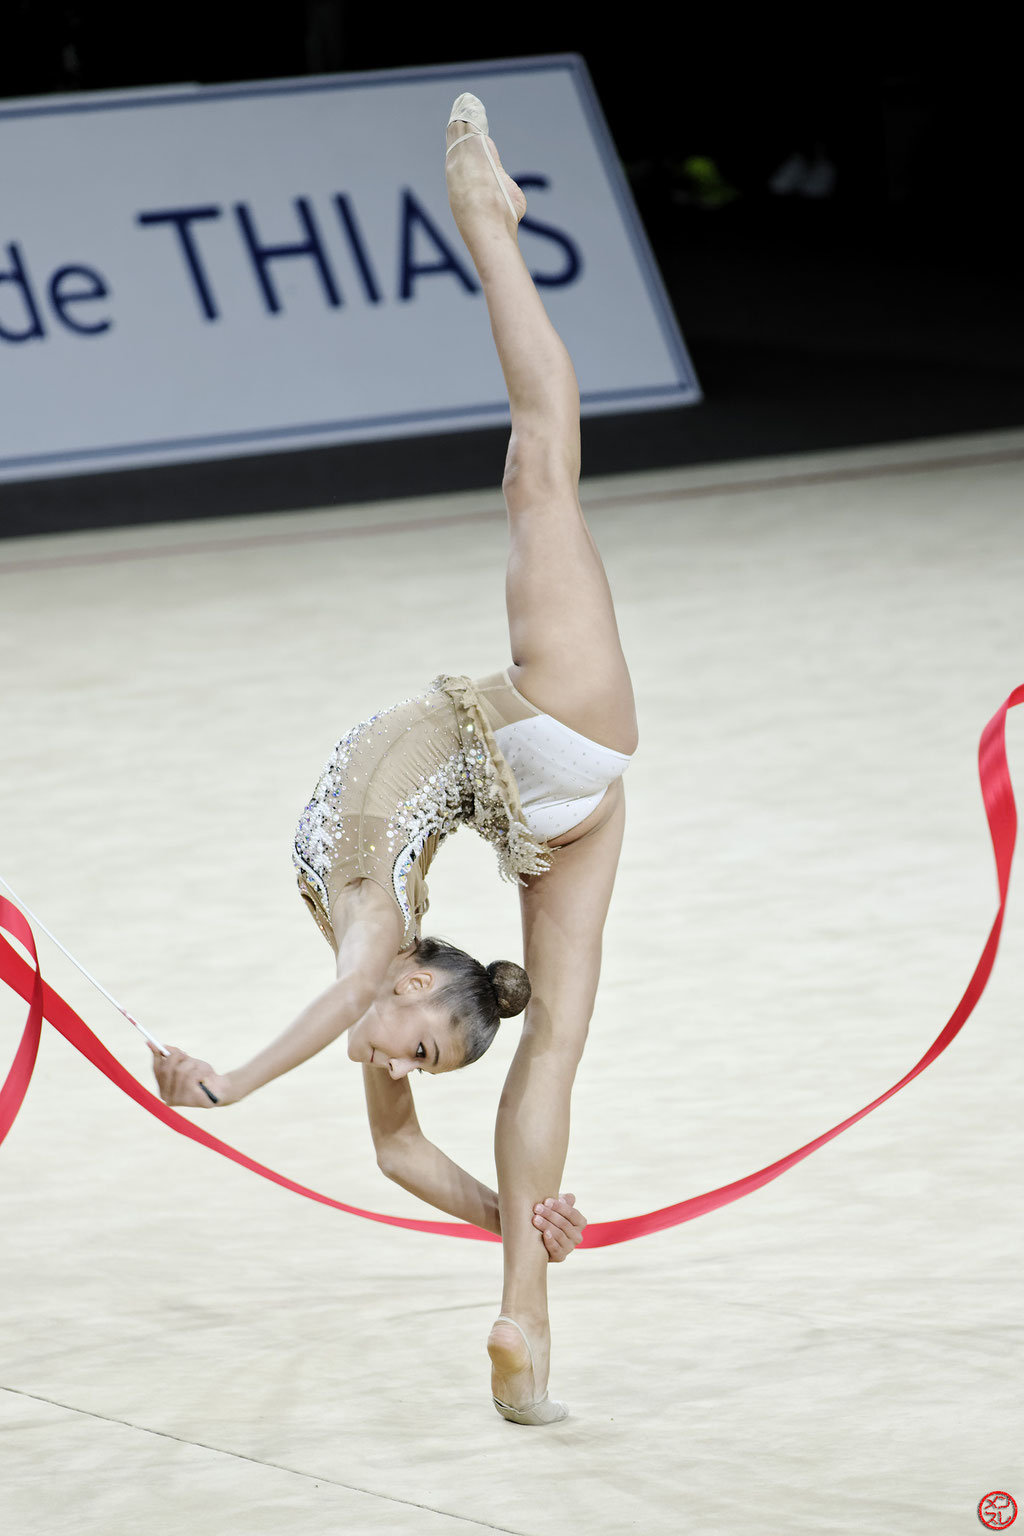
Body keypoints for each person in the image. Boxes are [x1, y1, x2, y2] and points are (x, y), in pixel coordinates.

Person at [152, 93, 638, 1425]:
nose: (401, 1066)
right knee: (544, 463)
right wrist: (231, 1087)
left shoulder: (380, 966)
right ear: (424, 975)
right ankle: (493, 227)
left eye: (415, 1064)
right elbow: (358, 1025)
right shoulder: (376, 934)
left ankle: (522, 1331)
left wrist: (505, 1216)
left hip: (541, 789)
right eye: (424, 1047)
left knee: (558, 1055)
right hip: (550, 741)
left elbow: (396, 1156)